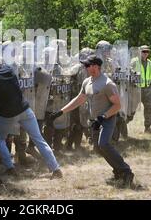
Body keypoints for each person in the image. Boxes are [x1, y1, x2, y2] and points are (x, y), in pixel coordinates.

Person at [51, 55, 134, 187]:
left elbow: (117, 105)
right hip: (95, 121)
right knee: (98, 148)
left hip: (107, 119)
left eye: (87, 65)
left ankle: (126, 171)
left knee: (104, 144)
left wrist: (103, 116)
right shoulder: (87, 82)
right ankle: (118, 171)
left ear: (95, 66)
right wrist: (61, 111)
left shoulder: (107, 84)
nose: (85, 67)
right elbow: (79, 99)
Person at [0, 63, 62, 179]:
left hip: (8, 114)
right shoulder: (10, 70)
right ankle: (55, 168)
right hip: (24, 109)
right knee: (39, 139)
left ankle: (10, 168)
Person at [136, 45, 151, 133]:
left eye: (147, 52)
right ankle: (121, 126)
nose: (145, 53)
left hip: (147, 90)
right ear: (139, 52)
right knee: (131, 111)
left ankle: (147, 128)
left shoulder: (149, 63)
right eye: (143, 51)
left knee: (149, 107)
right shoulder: (134, 62)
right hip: (136, 90)